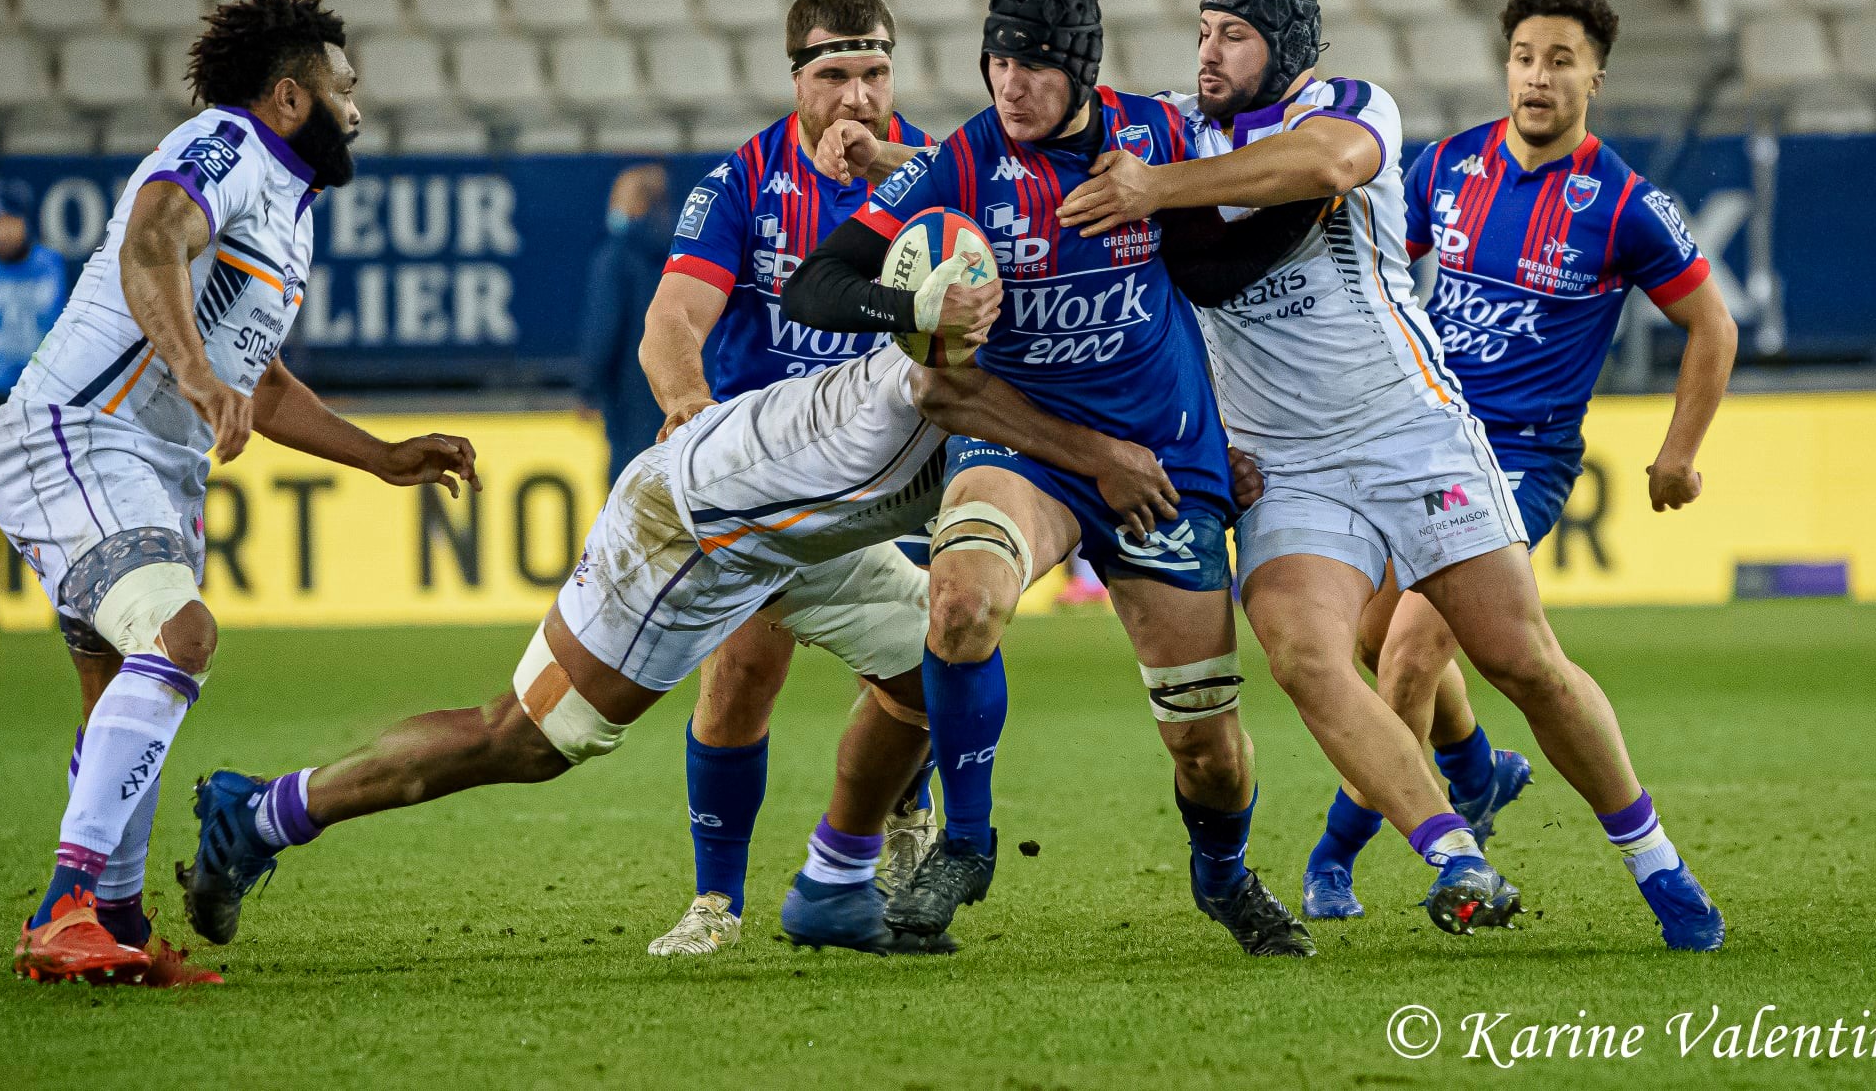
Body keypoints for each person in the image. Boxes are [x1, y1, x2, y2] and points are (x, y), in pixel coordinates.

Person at [1056, 0, 1726, 951]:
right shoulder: (1166, 127)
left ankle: (1653, 856)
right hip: (1282, 464)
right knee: (1305, 654)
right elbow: (1038, 136)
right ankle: (1452, 850)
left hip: (1409, 430)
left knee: (1522, 660)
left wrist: (1156, 189)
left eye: (1232, 34)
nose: (1208, 52)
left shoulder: (1353, 105)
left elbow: (1324, 164)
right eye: (1202, 31)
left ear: (1284, 46)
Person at [176, 305, 1190, 959]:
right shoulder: (952, 351)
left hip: (800, 534)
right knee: (527, 740)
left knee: (940, 668)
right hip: (694, 527)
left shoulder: (1048, 368)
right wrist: (1100, 454)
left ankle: (834, 882)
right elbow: (939, 387)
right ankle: (259, 814)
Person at [784, 0, 1314, 958]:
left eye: (1030, 64)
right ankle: (967, 844)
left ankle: (1222, 874)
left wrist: (1306, 209)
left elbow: (1204, 267)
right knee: (958, 601)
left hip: (1162, 460)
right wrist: (915, 311)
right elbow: (816, 283)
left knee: (1207, 748)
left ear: (1079, 69)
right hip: (1024, 445)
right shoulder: (963, 163)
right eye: (995, 61)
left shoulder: (1153, 139)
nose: (1008, 84)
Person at [0, 0, 481, 986]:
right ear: (292, 97)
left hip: (152, 463)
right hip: (79, 435)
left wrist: (379, 455)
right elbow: (152, 243)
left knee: (117, 691)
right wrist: (196, 377)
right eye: (345, 91)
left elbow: (256, 371)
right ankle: (65, 908)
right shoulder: (222, 141)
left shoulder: (286, 209)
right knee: (182, 638)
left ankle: (116, 922)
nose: (359, 110)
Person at [1296, 0, 1738, 920]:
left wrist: (1677, 453)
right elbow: (1373, 269)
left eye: (1560, 61)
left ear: (1595, 78)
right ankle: (1472, 771)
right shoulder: (1448, 165)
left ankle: (1338, 854)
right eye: (1524, 58)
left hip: (1519, 461)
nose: (1537, 77)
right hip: (1415, 438)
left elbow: (1712, 326)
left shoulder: (1623, 203)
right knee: (1373, 639)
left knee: (1410, 652)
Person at [634, 0, 941, 956]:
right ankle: (717, 901)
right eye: (833, 75)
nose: (856, 94)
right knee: (741, 672)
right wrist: (685, 396)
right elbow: (674, 317)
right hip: (777, 465)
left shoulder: (936, 169)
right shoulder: (743, 183)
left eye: (873, 72)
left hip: (896, 457)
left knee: (925, 661)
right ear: (796, 78)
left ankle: (900, 821)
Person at [0, 182, 68, 628]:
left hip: (36, 399)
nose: (0, 230)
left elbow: (63, 329)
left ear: (25, 220)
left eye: (7, 220)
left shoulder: (50, 265)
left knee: (53, 502)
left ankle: (65, 596)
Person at [576, 164, 671, 483]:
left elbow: (603, 331)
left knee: (630, 500)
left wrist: (587, 389)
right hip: (681, 400)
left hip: (630, 401)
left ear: (637, 205)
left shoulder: (614, 258)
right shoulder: (686, 254)